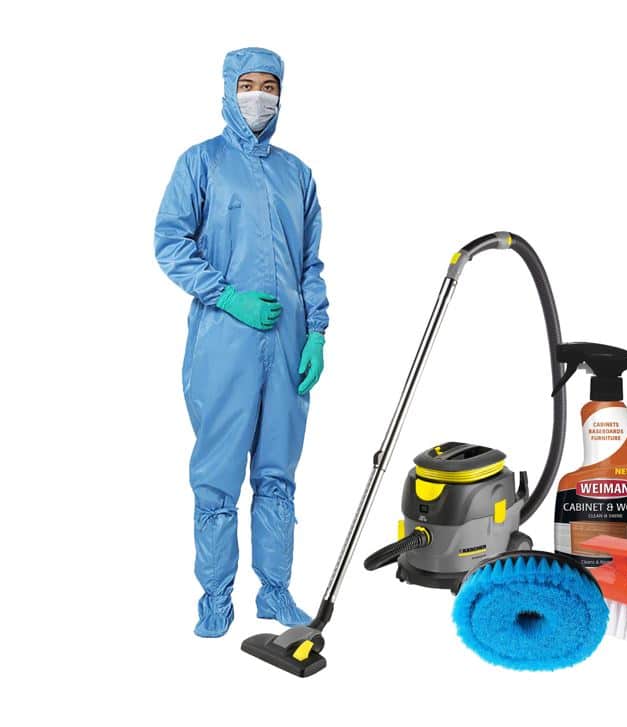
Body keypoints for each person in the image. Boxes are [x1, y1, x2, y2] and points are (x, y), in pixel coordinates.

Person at [154, 47, 329, 637]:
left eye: (269, 86)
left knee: (278, 473)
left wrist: (318, 333)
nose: (259, 96)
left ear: (282, 94)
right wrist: (227, 296)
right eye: (248, 85)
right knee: (218, 474)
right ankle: (214, 596)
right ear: (229, 90)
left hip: (287, 347)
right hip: (223, 345)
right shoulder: (200, 163)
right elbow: (171, 243)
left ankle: (275, 592)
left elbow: (310, 263)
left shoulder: (297, 174)